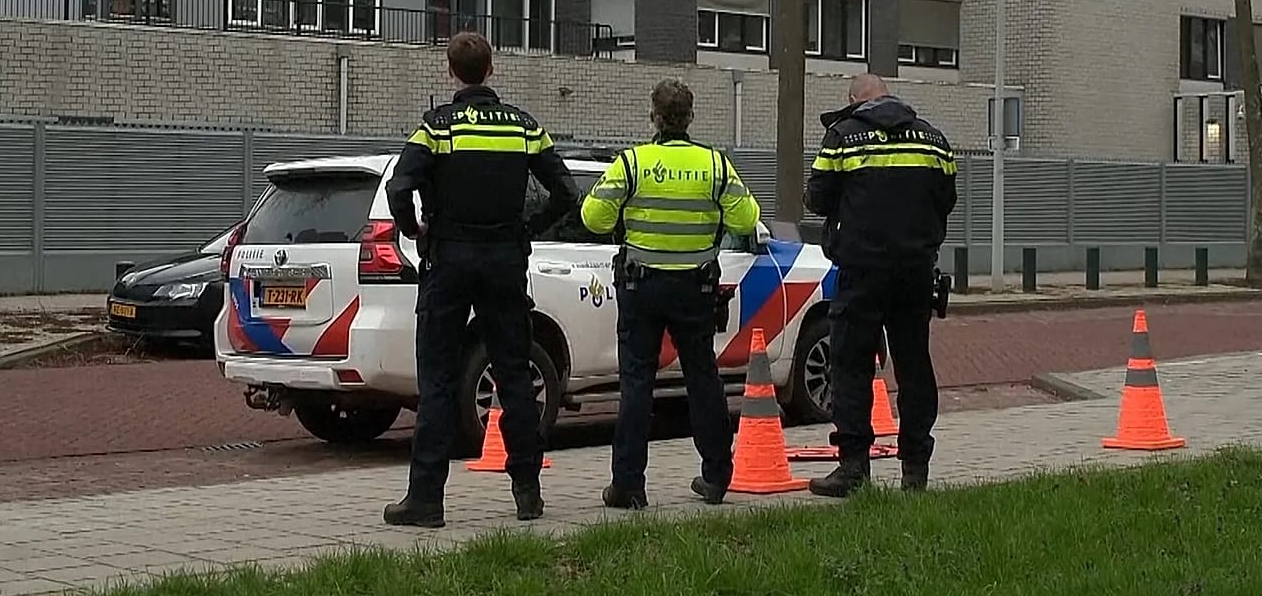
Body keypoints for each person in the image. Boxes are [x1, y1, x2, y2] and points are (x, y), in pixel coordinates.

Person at [382, 32, 579, 528]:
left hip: (448, 260)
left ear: (451, 72)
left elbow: (399, 188)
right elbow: (565, 192)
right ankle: (528, 493)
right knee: (514, 374)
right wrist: (528, 228)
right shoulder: (525, 127)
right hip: (505, 260)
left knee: (438, 379)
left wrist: (415, 230)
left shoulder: (436, 128)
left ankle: (426, 500)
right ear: (491, 70)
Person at [581, 78, 761, 509]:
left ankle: (628, 485)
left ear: (654, 117)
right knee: (702, 378)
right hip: (695, 288)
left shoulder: (632, 163)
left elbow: (593, 218)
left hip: (641, 286)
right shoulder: (715, 165)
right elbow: (746, 220)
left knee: (637, 383)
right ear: (691, 117)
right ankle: (716, 476)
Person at [803, 73, 957, 496]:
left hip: (861, 270)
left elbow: (817, 198)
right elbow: (946, 200)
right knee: (914, 366)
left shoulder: (843, 137)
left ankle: (854, 469)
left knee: (850, 367)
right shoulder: (932, 139)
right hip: (914, 271)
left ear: (854, 100)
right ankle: (915, 470)